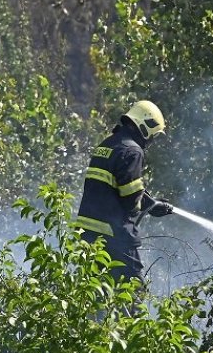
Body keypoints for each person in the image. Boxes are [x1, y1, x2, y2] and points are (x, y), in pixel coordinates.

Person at [73, 100, 174, 283]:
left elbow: (118, 187)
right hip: (114, 237)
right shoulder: (133, 151)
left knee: (95, 295)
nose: (151, 141)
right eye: (153, 135)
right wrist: (150, 206)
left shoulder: (108, 144)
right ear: (146, 125)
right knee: (133, 292)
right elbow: (130, 200)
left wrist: (150, 203)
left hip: (87, 235)